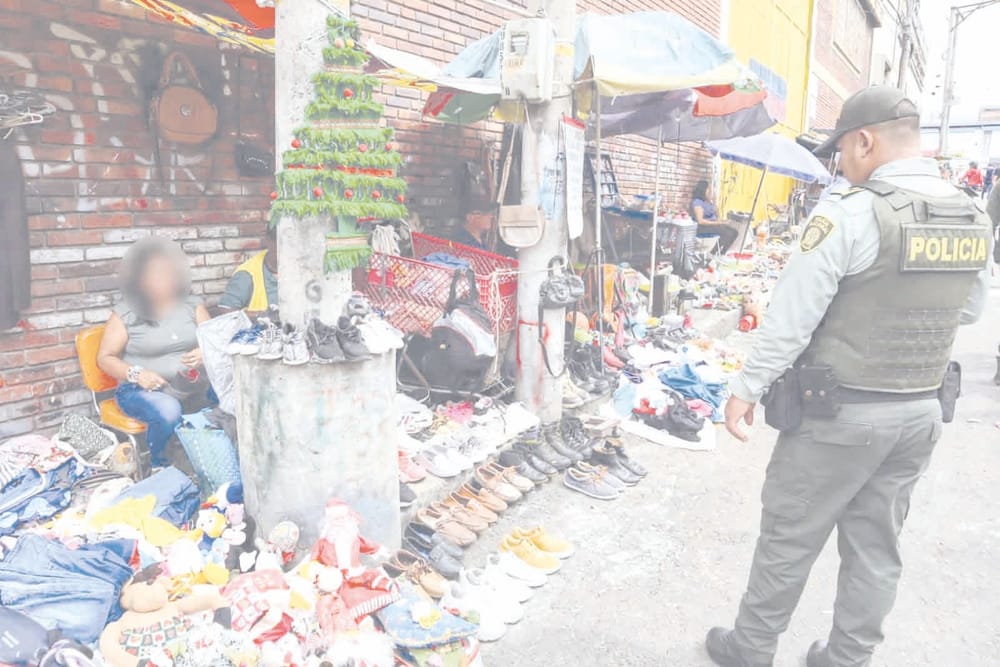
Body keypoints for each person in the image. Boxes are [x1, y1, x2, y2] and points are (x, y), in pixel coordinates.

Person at [706, 87, 993, 667]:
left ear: (865, 140)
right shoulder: (970, 213)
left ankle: (752, 650)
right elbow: (968, 312)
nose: (839, 165)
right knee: (876, 547)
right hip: (919, 413)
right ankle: (846, 657)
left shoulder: (851, 213)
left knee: (790, 538)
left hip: (838, 415)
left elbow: (789, 323)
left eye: (840, 152)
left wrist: (744, 391)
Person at [97, 237, 212, 469]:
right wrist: (136, 374)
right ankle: (161, 465)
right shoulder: (126, 313)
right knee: (168, 410)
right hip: (141, 389)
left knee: (232, 398)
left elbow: (215, 338)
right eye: (156, 274)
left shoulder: (192, 305)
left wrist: (204, 351)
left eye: (169, 273)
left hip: (191, 385)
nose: (165, 279)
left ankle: (210, 460)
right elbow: (104, 358)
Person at [218, 226, 278, 316]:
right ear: (268, 241)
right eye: (279, 242)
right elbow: (226, 312)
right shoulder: (247, 274)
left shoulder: (302, 267)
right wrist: (262, 316)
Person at [690, 180, 739, 253]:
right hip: (702, 228)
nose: (710, 191)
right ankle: (713, 252)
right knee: (727, 233)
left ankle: (722, 252)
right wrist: (719, 223)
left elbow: (717, 215)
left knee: (734, 232)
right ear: (703, 190)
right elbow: (700, 221)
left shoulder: (708, 202)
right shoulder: (698, 202)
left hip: (713, 225)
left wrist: (715, 204)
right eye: (708, 189)